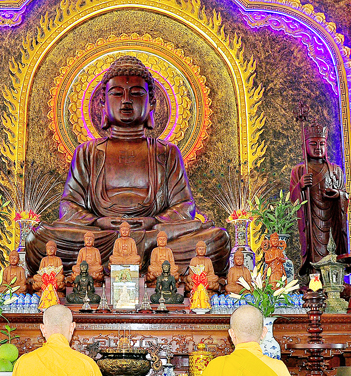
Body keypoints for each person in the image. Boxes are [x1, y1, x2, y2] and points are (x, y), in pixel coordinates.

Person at [25, 55, 229, 275]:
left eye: (136, 93)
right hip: (100, 237)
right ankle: (141, 256)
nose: (126, 101)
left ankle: (144, 251)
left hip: (153, 235)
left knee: (216, 240)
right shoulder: (87, 152)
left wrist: (153, 222)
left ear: (151, 103)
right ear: (103, 103)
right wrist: (99, 222)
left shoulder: (166, 152)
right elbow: (68, 206)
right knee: (38, 240)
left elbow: (185, 206)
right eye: (117, 93)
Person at [289, 123, 349, 276]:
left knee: (333, 251)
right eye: (313, 144)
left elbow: (345, 196)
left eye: (322, 144)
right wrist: (300, 186)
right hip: (312, 224)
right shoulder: (299, 170)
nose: (318, 148)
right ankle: (315, 279)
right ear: (305, 147)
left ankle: (335, 278)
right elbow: (293, 201)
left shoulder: (336, 170)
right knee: (315, 257)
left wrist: (338, 195)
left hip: (332, 222)